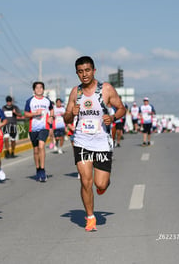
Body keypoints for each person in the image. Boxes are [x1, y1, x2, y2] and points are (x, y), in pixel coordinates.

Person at [64, 56, 125, 232]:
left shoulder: (105, 89)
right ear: (77, 73)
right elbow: (66, 117)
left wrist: (112, 117)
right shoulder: (76, 92)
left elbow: (121, 108)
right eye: (81, 72)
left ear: (94, 71)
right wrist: (71, 113)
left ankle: (104, 184)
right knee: (85, 181)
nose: (84, 75)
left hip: (102, 143)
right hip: (82, 141)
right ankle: (90, 217)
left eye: (87, 70)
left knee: (100, 184)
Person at [24, 81, 54, 182]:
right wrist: (34, 114)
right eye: (37, 88)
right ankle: (37, 169)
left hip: (44, 127)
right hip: (33, 128)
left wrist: (51, 116)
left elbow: (51, 109)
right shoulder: (30, 101)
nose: (39, 89)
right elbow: (26, 114)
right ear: (34, 90)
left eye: (41, 88)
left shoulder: (47, 100)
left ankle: (42, 169)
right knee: (36, 150)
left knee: (41, 146)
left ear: (43, 89)